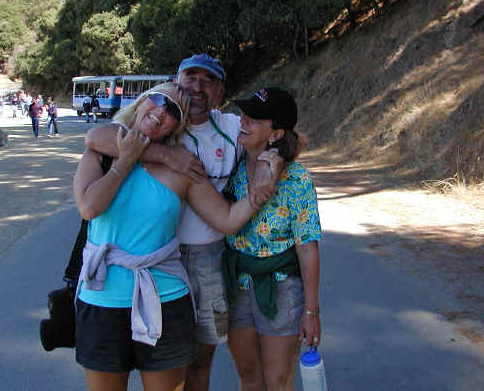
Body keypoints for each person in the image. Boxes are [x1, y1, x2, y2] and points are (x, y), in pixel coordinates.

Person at [73, 82, 281, 391]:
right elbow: (89, 207)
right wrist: (130, 158)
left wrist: (260, 191)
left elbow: (225, 219)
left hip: (166, 301)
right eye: (158, 100)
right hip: (101, 297)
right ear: (141, 102)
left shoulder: (183, 167)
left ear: (177, 126)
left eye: (173, 111)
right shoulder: (100, 153)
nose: (161, 112)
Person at [222, 87, 322, 391]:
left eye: (254, 118)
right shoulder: (234, 166)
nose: (243, 121)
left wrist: (311, 311)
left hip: (281, 288)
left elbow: (307, 249)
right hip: (238, 284)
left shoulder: (297, 179)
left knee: (278, 381)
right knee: (249, 376)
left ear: (276, 133)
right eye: (244, 114)